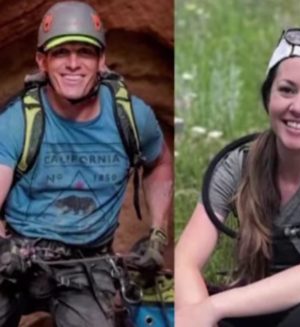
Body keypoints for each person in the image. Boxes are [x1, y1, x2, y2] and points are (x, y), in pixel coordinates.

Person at [175, 27, 300, 327]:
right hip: (246, 309)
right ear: (267, 97)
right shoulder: (236, 165)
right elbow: (185, 260)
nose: (298, 107)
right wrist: (196, 316)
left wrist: (211, 308)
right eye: (286, 89)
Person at [0, 1, 173, 326]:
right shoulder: (18, 122)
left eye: (85, 52)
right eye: (61, 53)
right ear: (42, 61)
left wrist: (157, 236)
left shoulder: (132, 118)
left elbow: (159, 163)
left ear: (102, 60)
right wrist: (3, 246)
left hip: (88, 263)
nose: (73, 64)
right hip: (15, 255)